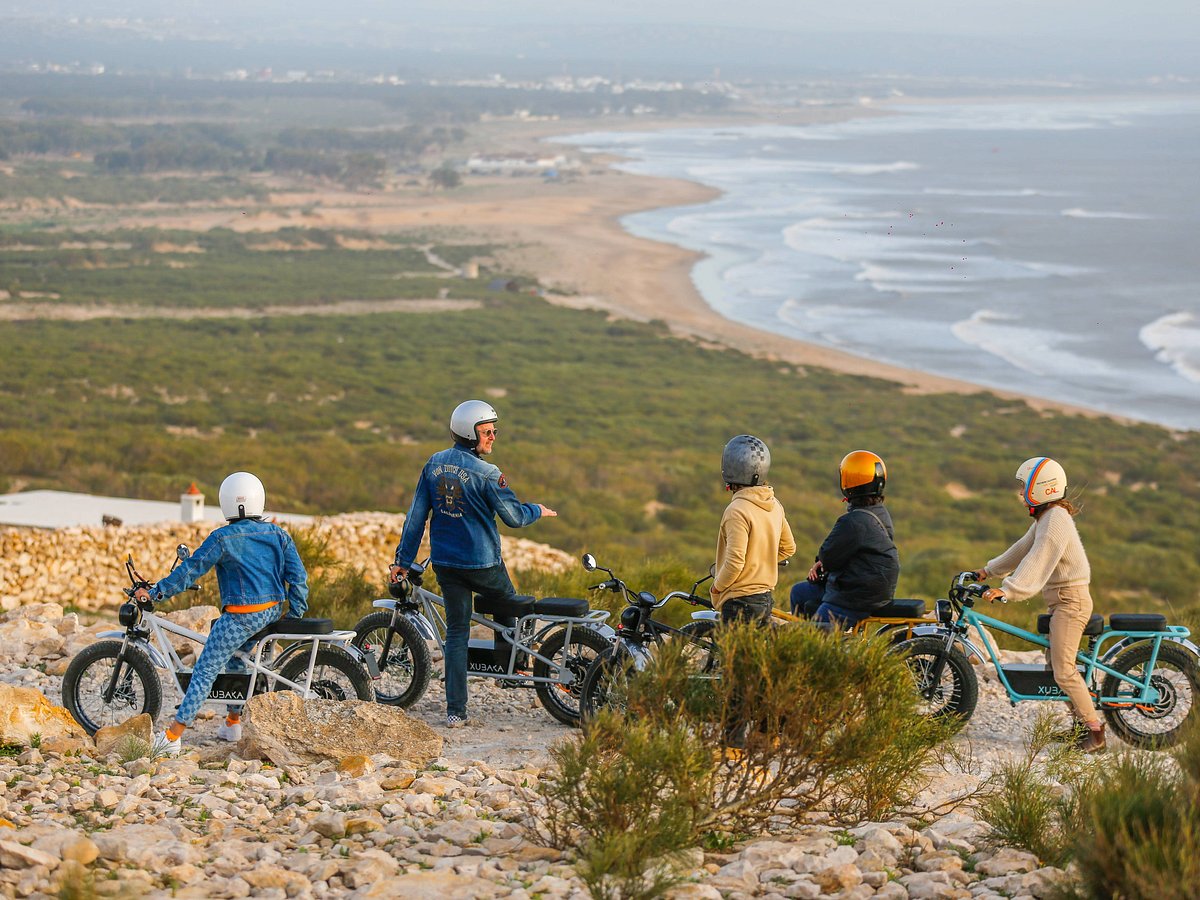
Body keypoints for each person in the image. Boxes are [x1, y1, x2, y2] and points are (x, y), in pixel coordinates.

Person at [390, 400, 557, 729]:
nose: (494, 436)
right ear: (469, 434)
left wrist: (403, 562)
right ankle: (509, 668)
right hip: (482, 564)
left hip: (446, 565)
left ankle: (455, 712)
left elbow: (415, 519)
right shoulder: (488, 474)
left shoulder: (433, 464)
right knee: (511, 608)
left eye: (495, 430)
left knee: (456, 632)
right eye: (487, 431)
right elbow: (513, 517)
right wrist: (536, 509)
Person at [135, 472, 308, 755]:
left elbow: (191, 570)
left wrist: (156, 593)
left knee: (205, 670)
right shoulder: (278, 533)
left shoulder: (222, 538)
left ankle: (172, 737)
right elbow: (298, 577)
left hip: (241, 615)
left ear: (227, 502)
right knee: (238, 658)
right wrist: (295, 613)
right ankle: (232, 722)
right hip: (272, 611)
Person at [973, 456, 1104, 753]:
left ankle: (1095, 733)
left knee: (1064, 670)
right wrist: (988, 570)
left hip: (1071, 603)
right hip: (1060, 602)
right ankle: (1079, 727)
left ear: (1042, 488)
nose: (1020, 493)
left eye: (1024, 487)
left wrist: (1008, 591)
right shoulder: (1048, 517)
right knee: (1054, 667)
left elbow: (1039, 558)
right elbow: (1022, 549)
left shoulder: (1056, 520)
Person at [790, 450, 900, 628]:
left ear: (850, 485)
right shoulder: (879, 512)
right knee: (800, 592)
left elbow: (829, 556)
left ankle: (818, 649)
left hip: (854, 596)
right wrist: (824, 562)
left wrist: (821, 562)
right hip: (872, 589)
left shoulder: (852, 521)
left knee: (814, 634)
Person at [712, 434, 797, 624]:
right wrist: (759, 562)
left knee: (732, 654)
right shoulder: (774, 504)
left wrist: (717, 587)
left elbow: (734, 563)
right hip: (764, 598)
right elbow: (788, 548)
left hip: (739, 601)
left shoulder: (736, 510)